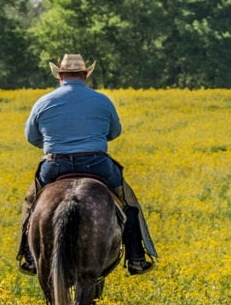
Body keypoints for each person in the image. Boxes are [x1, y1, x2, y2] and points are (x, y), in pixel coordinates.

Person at [17, 53, 157, 276]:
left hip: (56, 165)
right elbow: (114, 132)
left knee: (31, 202)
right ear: (85, 75)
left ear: (60, 75)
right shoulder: (102, 100)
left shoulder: (43, 101)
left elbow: (31, 137)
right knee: (128, 202)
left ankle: (29, 256)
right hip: (96, 163)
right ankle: (136, 256)